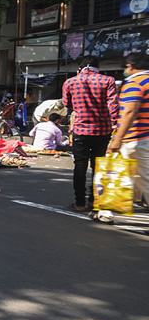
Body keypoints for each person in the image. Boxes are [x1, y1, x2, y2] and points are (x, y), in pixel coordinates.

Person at [61, 56, 118, 212]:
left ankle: (80, 203)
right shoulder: (108, 81)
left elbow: (67, 104)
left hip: (81, 130)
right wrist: (115, 124)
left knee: (80, 167)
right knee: (98, 166)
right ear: (97, 67)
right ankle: (94, 201)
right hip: (103, 130)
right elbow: (113, 105)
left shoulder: (70, 82)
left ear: (80, 68)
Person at [107, 51, 149, 209]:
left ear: (130, 67)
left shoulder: (135, 83)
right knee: (141, 178)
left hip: (135, 138)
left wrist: (117, 139)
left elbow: (130, 112)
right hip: (145, 139)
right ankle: (107, 211)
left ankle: (107, 212)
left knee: (117, 174)